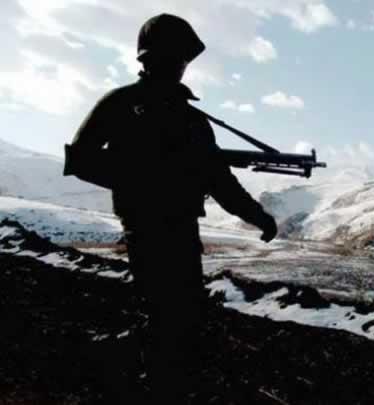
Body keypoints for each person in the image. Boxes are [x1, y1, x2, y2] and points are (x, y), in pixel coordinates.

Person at [64, 13, 277, 403]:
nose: (179, 66)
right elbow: (80, 160)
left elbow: (219, 180)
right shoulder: (123, 105)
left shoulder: (187, 118)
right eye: (176, 56)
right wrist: (144, 177)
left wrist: (258, 217)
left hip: (179, 227)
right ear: (153, 59)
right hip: (145, 225)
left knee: (182, 315)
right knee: (167, 315)